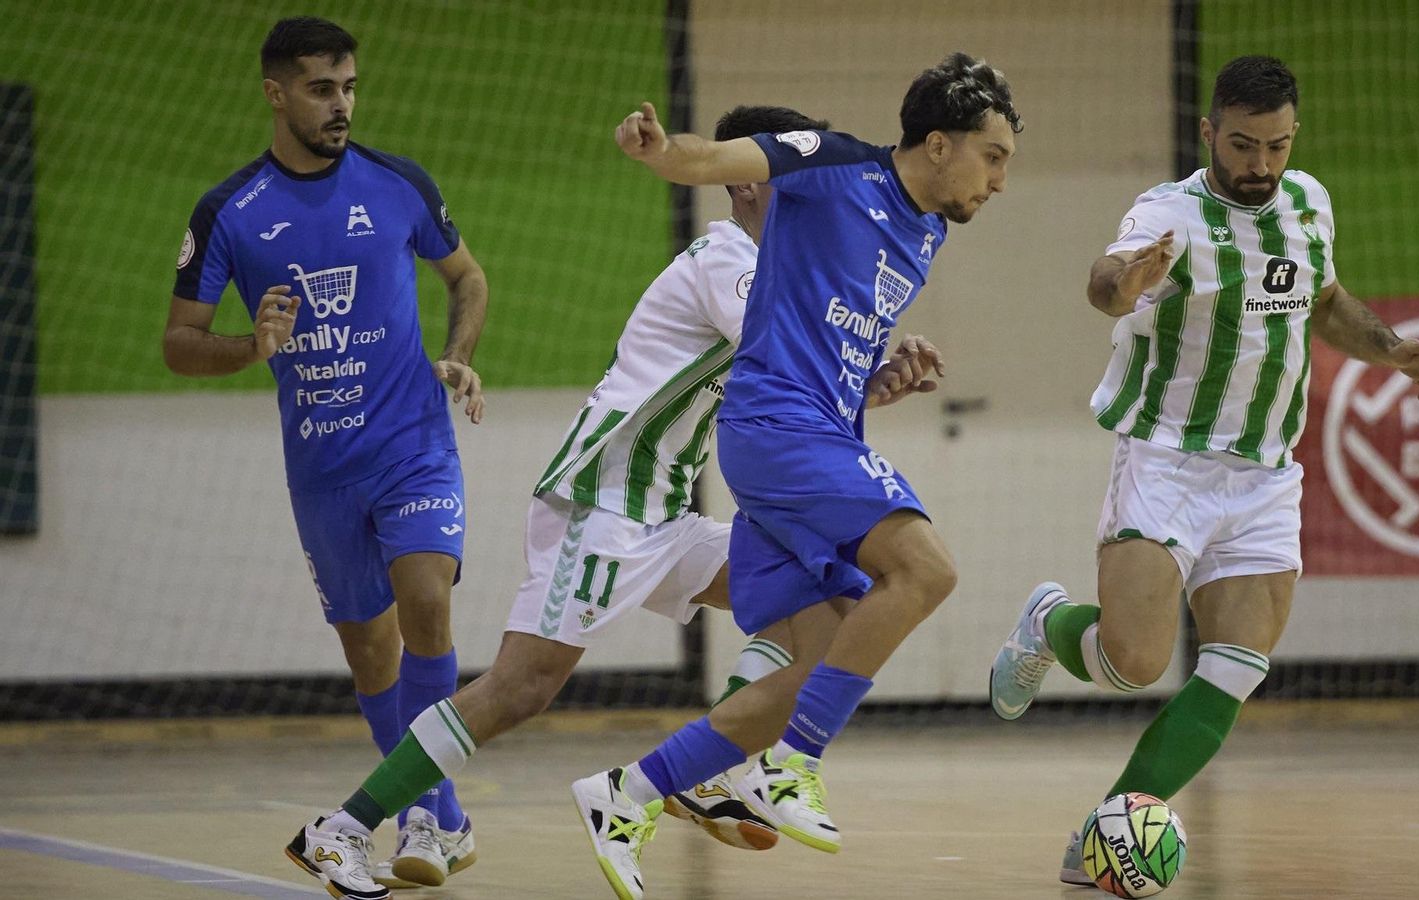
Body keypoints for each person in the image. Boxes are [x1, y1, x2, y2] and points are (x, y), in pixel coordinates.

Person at [277, 103, 937, 900]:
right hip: (606, 498)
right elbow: (785, 351)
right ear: (752, 185)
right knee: (523, 687)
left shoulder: (779, 274)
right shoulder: (728, 261)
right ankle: (341, 828)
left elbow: (807, 380)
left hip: (666, 512)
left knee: (832, 605)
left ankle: (704, 775)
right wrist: (863, 358)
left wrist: (879, 380)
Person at [985, 55, 1419, 885]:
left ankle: (1102, 842)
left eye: (1275, 146)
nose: (1259, 166)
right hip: (1169, 459)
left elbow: (1324, 298)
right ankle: (1049, 625)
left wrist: (1388, 350)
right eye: (1242, 145)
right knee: (1131, 662)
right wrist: (1127, 283)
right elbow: (1104, 283)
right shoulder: (1170, 213)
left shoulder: (1308, 202)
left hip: (1268, 476)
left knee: (1233, 668)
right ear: (1210, 133)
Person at [570, 51, 1023, 900]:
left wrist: (880, 381)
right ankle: (791, 768)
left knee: (823, 658)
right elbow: (712, 160)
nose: (999, 181)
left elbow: (823, 345)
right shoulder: (833, 161)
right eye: (992, 157)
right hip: (778, 432)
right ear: (937, 143)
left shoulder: (926, 232)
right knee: (926, 569)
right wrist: (659, 151)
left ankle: (625, 794)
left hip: (808, 436)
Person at [162, 16, 488, 895]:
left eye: (348, 86)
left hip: (414, 446)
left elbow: (467, 276)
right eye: (320, 88)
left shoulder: (397, 183)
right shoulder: (228, 212)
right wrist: (250, 348)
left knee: (427, 604)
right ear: (276, 93)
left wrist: (458, 352)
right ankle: (446, 817)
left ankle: (414, 815)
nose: (340, 103)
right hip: (321, 472)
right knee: (372, 662)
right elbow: (179, 344)